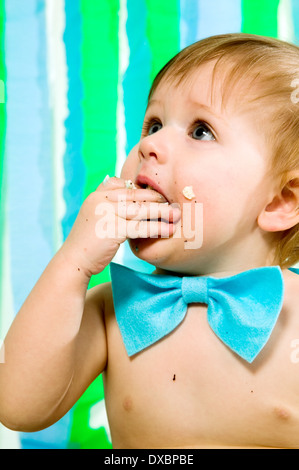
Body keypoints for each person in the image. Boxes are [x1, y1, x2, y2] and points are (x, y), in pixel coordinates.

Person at [1, 32, 299, 449]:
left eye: (200, 131)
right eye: (154, 124)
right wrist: (74, 263)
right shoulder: (111, 310)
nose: (150, 145)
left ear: (281, 201)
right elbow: (18, 406)